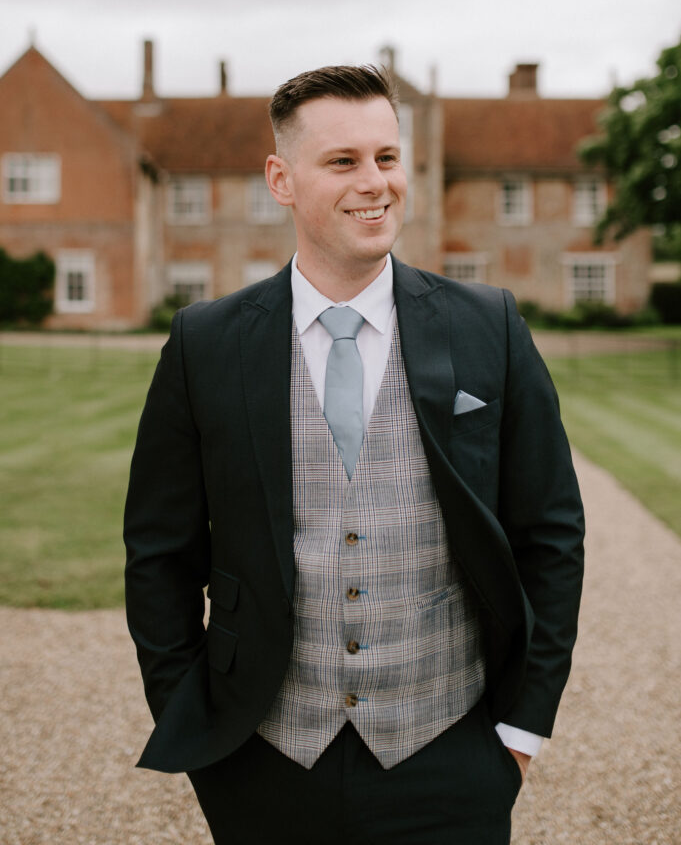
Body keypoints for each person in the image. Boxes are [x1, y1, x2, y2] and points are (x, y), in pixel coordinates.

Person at [124, 65, 584, 845]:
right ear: (281, 180)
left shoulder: (489, 326)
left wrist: (519, 732)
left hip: (450, 754)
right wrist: (191, 720)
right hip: (262, 761)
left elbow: (550, 534)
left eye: (386, 157)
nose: (374, 182)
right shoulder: (205, 343)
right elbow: (159, 552)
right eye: (342, 161)